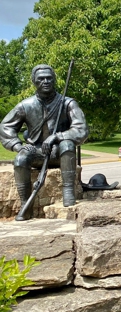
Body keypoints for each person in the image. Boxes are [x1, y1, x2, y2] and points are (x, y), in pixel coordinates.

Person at [0, 64, 88, 220]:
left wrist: (57, 136)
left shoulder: (67, 103)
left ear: (54, 80)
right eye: (41, 79)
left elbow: (81, 130)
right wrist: (17, 145)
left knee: (67, 144)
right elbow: (5, 127)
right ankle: (25, 205)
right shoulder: (25, 105)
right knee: (20, 159)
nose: (45, 81)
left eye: (49, 78)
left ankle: (68, 192)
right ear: (34, 81)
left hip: (60, 153)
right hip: (37, 153)